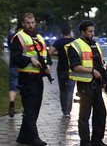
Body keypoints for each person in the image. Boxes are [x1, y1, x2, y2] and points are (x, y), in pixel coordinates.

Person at [66, 20, 107, 146]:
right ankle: (85, 142)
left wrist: (104, 78)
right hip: (85, 85)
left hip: (97, 85)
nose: (92, 33)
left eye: (93, 31)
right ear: (83, 32)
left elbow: (100, 63)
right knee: (84, 115)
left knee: (101, 113)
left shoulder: (95, 44)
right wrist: (92, 71)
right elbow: (75, 66)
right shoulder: (75, 45)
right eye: (90, 31)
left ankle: (97, 140)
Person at [12, 13, 51, 146]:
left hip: (38, 78)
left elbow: (45, 54)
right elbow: (15, 58)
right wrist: (30, 60)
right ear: (23, 24)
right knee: (30, 109)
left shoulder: (39, 37)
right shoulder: (19, 38)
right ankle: (34, 138)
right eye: (28, 23)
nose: (31, 25)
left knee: (35, 108)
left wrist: (48, 65)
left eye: (33, 22)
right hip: (26, 78)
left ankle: (23, 137)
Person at [48, 25, 75, 117]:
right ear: (70, 32)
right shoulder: (74, 42)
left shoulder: (58, 42)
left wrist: (58, 53)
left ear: (62, 32)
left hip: (61, 69)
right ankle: (68, 111)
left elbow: (50, 52)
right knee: (70, 90)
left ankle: (64, 109)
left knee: (62, 90)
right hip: (72, 69)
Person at [7, 21, 22, 118]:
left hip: (13, 65)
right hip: (24, 66)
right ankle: (26, 109)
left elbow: (10, 48)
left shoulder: (11, 37)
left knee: (13, 87)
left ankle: (12, 101)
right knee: (25, 88)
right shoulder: (26, 36)